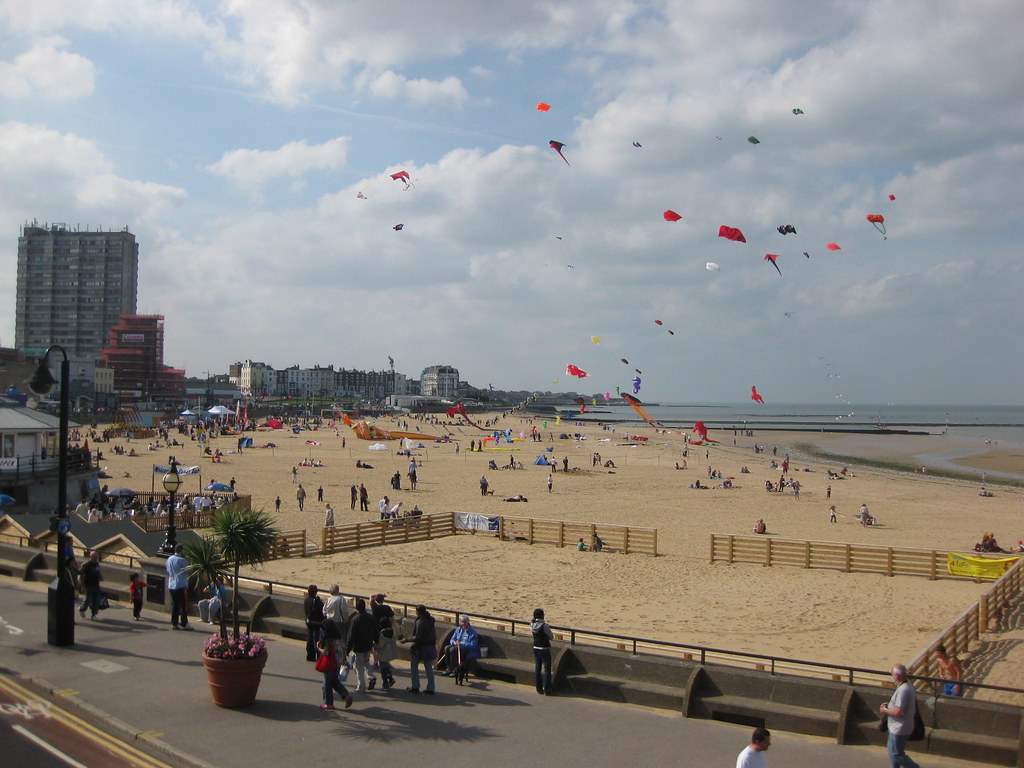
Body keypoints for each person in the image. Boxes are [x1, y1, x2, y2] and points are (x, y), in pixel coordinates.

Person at [880, 664, 920, 768]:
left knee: (896, 754)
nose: (892, 676)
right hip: (898, 726)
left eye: (892, 674)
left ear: (897, 676)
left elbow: (898, 711)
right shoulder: (907, 685)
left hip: (899, 728)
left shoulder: (903, 690)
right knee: (892, 751)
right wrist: (890, 705)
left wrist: (885, 710)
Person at [316, 618, 353, 710]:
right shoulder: (339, 637)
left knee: (327, 683)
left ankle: (328, 703)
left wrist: (319, 648)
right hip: (338, 662)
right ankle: (346, 695)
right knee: (334, 681)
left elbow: (326, 652)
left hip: (329, 663)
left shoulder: (328, 639)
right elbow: (343, 649)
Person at [401, 604, 437, 694]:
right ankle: (431, 688)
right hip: (430, 646)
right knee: (429, 668)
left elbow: (418, 637)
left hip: (420, 647)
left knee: (414, 666)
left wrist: (406, 640)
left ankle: (415, 686)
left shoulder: (420, 622)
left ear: (418, 612)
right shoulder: (430, 620)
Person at [346, 598, 379, 692]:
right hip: (368, 644)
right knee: (366, 661)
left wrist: (347, 649)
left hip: (358, 646)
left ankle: (361, 686)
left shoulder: (355, 619)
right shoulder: (371, 617)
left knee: (358, 666)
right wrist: (376, 641)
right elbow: (375, 631)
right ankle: (371, 676)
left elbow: (351, 635)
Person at [442, 614, 481, 681]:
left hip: (466, 649)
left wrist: (461, 644)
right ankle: (449, 668)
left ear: (468, 622)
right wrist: (454, 642)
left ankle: (455, 669)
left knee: (453, 650)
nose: (462, 624)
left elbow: (473, 645)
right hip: (457, 645)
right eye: (461, 622)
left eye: (464, 622)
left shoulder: (473, 632)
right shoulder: (458, 629)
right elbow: (452, 639)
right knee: (447, 648)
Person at [166, 544, 190, 629]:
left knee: (175, 605)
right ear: (181, 550)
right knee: (184, 605)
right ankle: (184, 623)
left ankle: (174, 623)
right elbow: (189, 570)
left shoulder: (170, 559)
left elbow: (168, 570)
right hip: (181, 584)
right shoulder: (183, 560)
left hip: (171, 585)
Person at [531, 608, 554, 695]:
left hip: (535, 647)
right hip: (544, 649)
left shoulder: (532, 624)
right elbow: (551, 636)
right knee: (547, 670)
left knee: (538, 668)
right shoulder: (544, 626)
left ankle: (539, 688)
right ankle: (547, 690)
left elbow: (532, 624)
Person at [79, 550, 103, 621]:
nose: (96, 558)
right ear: (90, 557)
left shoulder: (97, 564)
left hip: (96, 585)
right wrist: (82, 586)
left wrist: (100, 579)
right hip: (88, 586)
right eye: (94, 557)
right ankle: (82, 609)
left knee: (97, 601)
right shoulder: (86, 565)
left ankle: (94, 614)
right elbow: (81, 576)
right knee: (88, 600)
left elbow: (98, 573)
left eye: (96, 557)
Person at [304, 584, 325, 662]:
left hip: (309, 621)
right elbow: (321, 608)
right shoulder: (316, 600)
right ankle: (318, 654)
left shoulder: (306, 599)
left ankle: (310, 655)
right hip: (316, 622)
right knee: (316, 638)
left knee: (309, 637)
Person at [375, 617, 397, 690]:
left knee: (383, 670)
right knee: (386, 668)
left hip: (383, 653)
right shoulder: (392, 631)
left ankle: (385, 684)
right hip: (390, 652)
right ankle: (390, 679)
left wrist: (374, 645)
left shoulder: (382, 633)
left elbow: (380, 645)